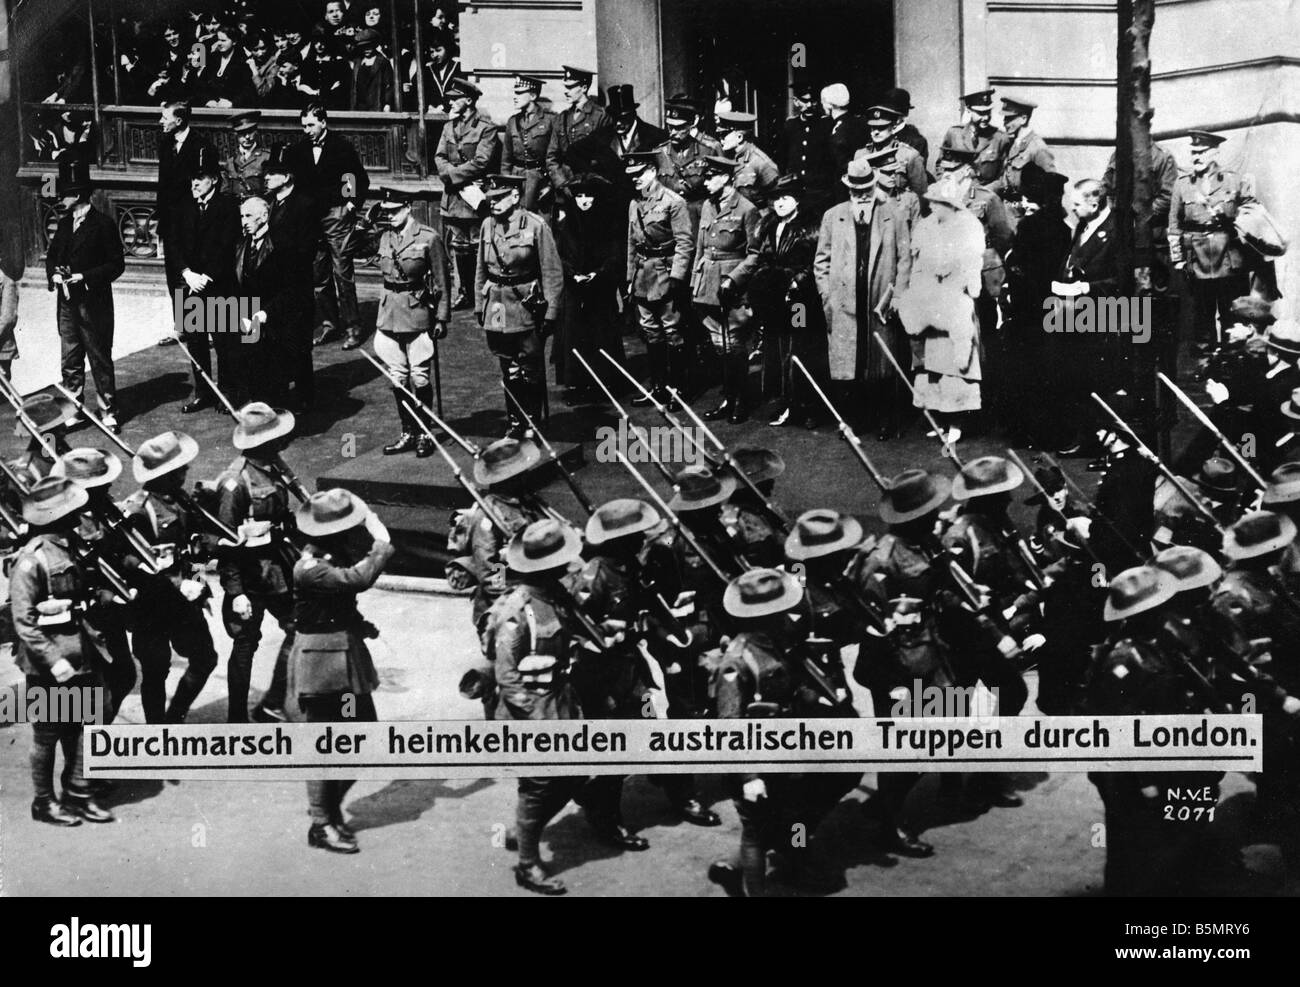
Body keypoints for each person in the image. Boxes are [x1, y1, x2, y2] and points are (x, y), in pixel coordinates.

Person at [706, 567, 860, 896]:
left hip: (791, 752)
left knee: (798, 813)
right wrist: (749, 777)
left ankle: (789, 859)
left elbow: (794, 686)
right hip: (756, 761)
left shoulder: (781, 642)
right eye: (780, 610)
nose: (788, 615)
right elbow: (728, 730)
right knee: (757, 831)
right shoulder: (737, 662)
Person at [482, 518, 588, 894]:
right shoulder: (517, 609)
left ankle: (526, 828)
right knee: (539, 784)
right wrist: (534, 719)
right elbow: (507, 676)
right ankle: (527, 864)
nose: (567, 567)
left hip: (559, 702)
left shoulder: (554, 596)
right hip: (531, 712)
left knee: (573, 776)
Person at [287, 488, 394, 854]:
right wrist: (381, 542)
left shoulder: (330, 555)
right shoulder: (310, 567)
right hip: (321, 664)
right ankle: (321, 823)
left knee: (363, 738)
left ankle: (327, 810)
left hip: (344, 657)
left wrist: (358, 622)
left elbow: (340, 598)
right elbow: (353, 580)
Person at [10, 477, 115, 827]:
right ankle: (44, 802)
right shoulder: (31, 560)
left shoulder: (70, 547)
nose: (79, 513)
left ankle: (78, 793)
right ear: (59, 516)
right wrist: (53, 663)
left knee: (89, 722)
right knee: (48, 732)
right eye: (72, 509)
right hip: (49, 664)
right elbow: (23, 622)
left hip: (80, 654)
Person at [121, 430, 220, 724]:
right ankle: (156, 734)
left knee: (205, 658)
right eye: (180, 468)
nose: (186, 471)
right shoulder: (139, 510)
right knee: (155, 671)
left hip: (184, 601)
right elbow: (129, 562)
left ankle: (175, 714)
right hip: (152, 606)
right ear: (168, 473)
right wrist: (174, 583)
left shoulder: (181, 499)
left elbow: (196, 541)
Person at [216, 402, 303, 723]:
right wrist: (236, 591)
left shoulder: (274, 467)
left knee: (299, 628)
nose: (284, 440)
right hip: (250, 576)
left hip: (278, 569)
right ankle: (236, 718)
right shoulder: (235, 482)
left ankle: (272, 702)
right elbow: (226, 544)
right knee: (245, 644)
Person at [815, 159, 911, 439]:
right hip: (844, 301)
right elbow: (821, 260)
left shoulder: (893, 213)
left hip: (880, 299)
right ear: (849, 191)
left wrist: (898, 295)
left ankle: (885, 420)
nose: (862, 197)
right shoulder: (833, 216)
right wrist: (827, 296)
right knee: (850, 365)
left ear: (874, 187)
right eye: (856, 193)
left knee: (880, 362)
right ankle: (855, 420)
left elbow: (905, 258)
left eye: (867, 191)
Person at [474, 173, 563, 438]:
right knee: (508, 367)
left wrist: (551, 312)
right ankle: (515, 423)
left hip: (526, 305)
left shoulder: (535, 225)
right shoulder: (487, 226)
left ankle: (533, 423)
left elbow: (552, 271)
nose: (494, 203)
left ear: (515, 196)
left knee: (530, 368)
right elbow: (481, 268)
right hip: (497, 306)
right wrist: (480, 305)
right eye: (491, 198)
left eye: (500, 197)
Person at [44, 158, 125, 433]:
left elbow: (116, 264)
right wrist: (54, 273)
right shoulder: (65, 224)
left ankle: (109, 411)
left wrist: (85, 277)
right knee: (70, 359)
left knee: (99, 358)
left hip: (92, 304)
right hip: (67, 304)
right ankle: (73, 409)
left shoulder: (103, 224)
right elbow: (53, 256)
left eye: (64, 194)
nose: (59, 199)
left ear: (77, 195)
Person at [373, 187, 450, 455]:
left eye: (395, 211)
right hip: (388, 313)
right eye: (386, 212)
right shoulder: (383, 236)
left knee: (419, 375)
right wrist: (370, 219)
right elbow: (351, 247)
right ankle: (407, 431)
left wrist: (441, 316)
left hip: (417, 312)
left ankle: (425, 433)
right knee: (397, 376)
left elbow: (441, 280)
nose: (390, 216)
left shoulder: (428, 237)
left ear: (408, 207)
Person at [1050, 178, 1121, 454]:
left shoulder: (1116, 231)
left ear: (1095, 202)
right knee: (1075, 375)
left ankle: (1099, 441)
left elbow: (1122, 279)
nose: (1073, 209)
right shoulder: (1083, 224)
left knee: (1098, 379)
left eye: (1078, 204)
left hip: (1100, 314)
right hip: (1072, 312)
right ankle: (1084, 435)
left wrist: (1087, 287)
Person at [748, 174, 824, 429]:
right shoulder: (769, 224)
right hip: (775, 298)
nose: (779, 203)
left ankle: (807, 406)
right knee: (778, 347)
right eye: (775, 199)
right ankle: (787, 401)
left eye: (785, 198)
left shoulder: (810, 227)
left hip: (800, 301)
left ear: (797, 200)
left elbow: (814, 263)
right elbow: (763, 257)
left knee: (800, 346)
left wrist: (796, 282)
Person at [1169, 130, 1257, 347]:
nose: (1196, 157)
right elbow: (1174, 225)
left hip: (1228, 256)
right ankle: (1205, 361)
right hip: (1196, 257)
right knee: (1201, 312)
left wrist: (1227, 214)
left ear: (1215, 152)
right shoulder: (1182, 184)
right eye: (1193, 152)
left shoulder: (1234, 180)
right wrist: (1178, 259)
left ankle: (1232, 358)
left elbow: (1252, 213)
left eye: (1202, 152)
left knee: (1232, 311)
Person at [291, 103, 369, 349]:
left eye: (311, 125)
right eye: (304, 126)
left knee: (342, 273)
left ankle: (352, 327)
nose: (307, 130)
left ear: (323, 122)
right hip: (310, 219)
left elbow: (355, 178)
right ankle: (329, 324)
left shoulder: (341, 146)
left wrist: (350, 205)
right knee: (318, 274)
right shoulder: (299, 149)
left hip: (336, 216)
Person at [1004, 165, 1071, 448]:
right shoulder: (1065, 229)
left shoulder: (1029, 227)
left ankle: (1025, 430)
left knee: (1025, 369)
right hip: (1051, 306)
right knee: (1048, 371)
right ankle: (1047, 432)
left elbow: (1016, 265)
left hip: (1026, 307)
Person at [692, 155, 763, 423]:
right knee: (718, 344)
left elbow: (754, 254)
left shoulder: (746, 209)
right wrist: (694, 282)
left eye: (710, 177)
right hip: (707, 282)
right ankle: (728, 398)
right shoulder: (708, 206)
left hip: (731, 285)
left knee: (733, 344)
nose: (705, 181)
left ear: (726, 178)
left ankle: (740, 401)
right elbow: (701, 245)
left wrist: (734, 279)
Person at [173, 144, 240, 414]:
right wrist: (187, 273)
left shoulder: (227, 207)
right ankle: (203, 392)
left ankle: (227, 391)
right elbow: (175, 245)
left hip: (219, 285)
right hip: (190, 285)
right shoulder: (184, 207)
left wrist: (207, 276)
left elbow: (226, 247)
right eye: (192, 179)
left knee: (225, 342)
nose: (194, 184)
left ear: (213, 179)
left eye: (199, 179)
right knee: (196, 341)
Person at [624, 151, 695, 405]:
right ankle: (658, 388)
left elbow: (685, 243)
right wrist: (629, 277)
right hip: (643, 273)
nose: (636, 180)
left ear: (653, 172)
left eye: (640, 174)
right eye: (632, 176)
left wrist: (677, 277)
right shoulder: (634, 203)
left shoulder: (673, 201)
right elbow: (632, 243)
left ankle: (678, 388)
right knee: (651, 331)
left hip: (665, 273)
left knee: (672, 331)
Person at [554, 173, 625, 403]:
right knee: (575, 336)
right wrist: (573, 275)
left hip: (600, 291)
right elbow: (560, 256)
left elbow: (615, 256)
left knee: (601, 335)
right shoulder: (565, 225)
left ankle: (603, 383)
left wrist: (597, 274)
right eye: (579, 196)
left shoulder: (607, 224)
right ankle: (577, 384)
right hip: (574, 290)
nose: (584, 201)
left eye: (588, 196)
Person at [434, 77, 500, 310]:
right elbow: (439, 157)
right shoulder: (448, 126)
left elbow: (481, 161)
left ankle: (479, 293)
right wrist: (450, 174)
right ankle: (464, 293)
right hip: (453, 198)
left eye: (455, 99)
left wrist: (452, 176)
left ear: (469, 100)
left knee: (477, 245)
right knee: (460, 247)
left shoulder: (486, 127)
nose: (450, 103)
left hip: (474, 197)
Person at [264, 144, 319, 412]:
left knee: (298, 344)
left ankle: (306, 397)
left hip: (296, 285)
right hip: (277, 287)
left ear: (286, 177)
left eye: (273, 173)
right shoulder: (273, 204)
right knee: (280, 341)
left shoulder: (305, 205)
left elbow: (306, 250)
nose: (266, 177)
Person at [156, 102, 215, 348]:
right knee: (175, 274)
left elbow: (211, 183)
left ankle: (208, 328)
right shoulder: (165, 144)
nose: (161, 121)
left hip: (195, 220)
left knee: (199, 272)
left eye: (164, 117)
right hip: (171, 222)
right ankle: (183, 325)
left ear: (179, 120)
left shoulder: (203, 146)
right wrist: (160, 226)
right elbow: (162, 186)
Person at [547, 65, 610, 193]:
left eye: (570, 87)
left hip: (591, 187)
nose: (566, 91)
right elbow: (551, 157)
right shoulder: (560, 118)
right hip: (565, 188)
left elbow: (605, 157)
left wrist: (591, 183)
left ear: (584, 88)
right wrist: (562, 183)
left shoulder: (599, 116)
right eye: (566, 87)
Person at [990, 95, 1056, 216]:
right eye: (1004, 118)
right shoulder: (1013, 144)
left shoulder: (1038, 148)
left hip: (1025, 217)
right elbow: (1005, 180)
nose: (1005, 123)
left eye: (1009, 119)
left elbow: (1052, 188)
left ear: (1023, 119)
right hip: (1007, 212)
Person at [502, 74, 558, 214]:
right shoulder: (512, 121)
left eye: (520, 93)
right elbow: (506, 160)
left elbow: (557, 157)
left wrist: (550, 185)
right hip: (516, 180)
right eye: (515, 92)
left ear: (533, 96)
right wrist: (506, 185)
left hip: (539, 181)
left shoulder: (550, 120)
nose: (515, 96)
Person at [780, 75, 832, 217]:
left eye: (813, 101)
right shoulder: (790, 125)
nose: (809, 105)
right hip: (796, 192)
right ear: (796, 102)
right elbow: (783, 158)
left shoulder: (826, 125)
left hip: (820, 194)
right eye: (805, 101)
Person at [940, 89, 1010, 185]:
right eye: (980, 113)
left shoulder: (1000, 138)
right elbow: (941, 166)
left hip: (987, 196)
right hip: (957, 195)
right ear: (969, 110)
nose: (985, 118)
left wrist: (990, 193)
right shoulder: (954, 134)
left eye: (988, 112)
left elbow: (1003, 176)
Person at [715, 111, 779, 211]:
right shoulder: (730, 156)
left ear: (739, 137)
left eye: (724, 135)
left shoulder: (759, 161)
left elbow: (776, 198)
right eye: (719, 135)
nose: (721, 140)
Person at [859, 104, 926, 197]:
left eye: (882, 127)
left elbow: (920, 194)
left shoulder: (909, 155)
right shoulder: (860, 155)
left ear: (893, 126)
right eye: (873, 127)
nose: (876, 132)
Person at [820, 83, 869, 195]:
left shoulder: (837, 130)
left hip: (842, 188)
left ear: (829, 105)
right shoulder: (859, 122)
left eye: (823, 102)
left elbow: (838, 164)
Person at [200, 24, 255, 107]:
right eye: (218, 40)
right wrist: (207, 100)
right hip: (210, 109)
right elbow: (201, 85)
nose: (219, 43)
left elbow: (248, 92)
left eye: (223, 40)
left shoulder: (242, 63)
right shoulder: (212, 60)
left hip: (232, 111)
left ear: (234, 41)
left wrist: (232, 103)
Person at [608, 84, 667, 157]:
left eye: (623, 118)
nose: (618, 123)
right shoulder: (602, 138)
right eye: (615, 118)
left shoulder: (655, 136)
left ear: (633, 114)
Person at [224, 111, 271, 200]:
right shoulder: (231, 160)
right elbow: (225, 191)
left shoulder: (266, 157)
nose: (247, 137)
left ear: (256, 131)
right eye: (242, 133)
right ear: (235, 134)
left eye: (250, 132)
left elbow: (270, 189)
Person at [349, 28, 393, 111]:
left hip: (376, 104)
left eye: (369, 46)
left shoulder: (382, 62)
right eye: (363, 47)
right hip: (359, 106)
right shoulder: (357, 62)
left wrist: (387, 103)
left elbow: (390, 85)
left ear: (374, 45)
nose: (366, 50)